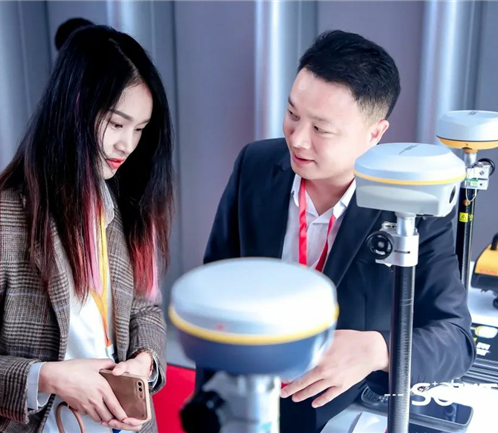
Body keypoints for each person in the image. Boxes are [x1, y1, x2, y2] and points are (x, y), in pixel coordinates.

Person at [202, 30, 476, 433]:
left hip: (330, 411)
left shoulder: (412, 207)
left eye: (322, 129)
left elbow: (456, 339)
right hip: (237, 394)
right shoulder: (256, 164)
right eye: (292, 114)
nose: (298, 139)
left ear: (375, 134)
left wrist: (377, 349)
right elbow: (213, 281)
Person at [0, 25, 173, 433]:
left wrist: (144, 361)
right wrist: (50, 377)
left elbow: (144, 308)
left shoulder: (126, 206)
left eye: (140, 129)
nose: (127, 145)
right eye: (117, 124)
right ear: (74, 108)